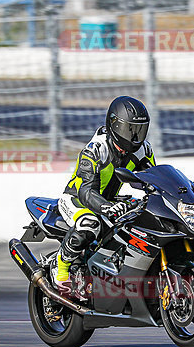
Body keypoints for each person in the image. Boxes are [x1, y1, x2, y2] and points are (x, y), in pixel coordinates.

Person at [52, 95, 155, 295]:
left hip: (109, 201)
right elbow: (86, 191)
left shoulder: (143, 150)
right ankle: (61, 268)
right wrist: (106, 207)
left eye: (140, 130)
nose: (136, 137)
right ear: (116, 126)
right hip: (77, 200)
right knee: (90, 223)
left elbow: (152, 178)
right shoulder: (96, 149)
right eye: (131, 130)